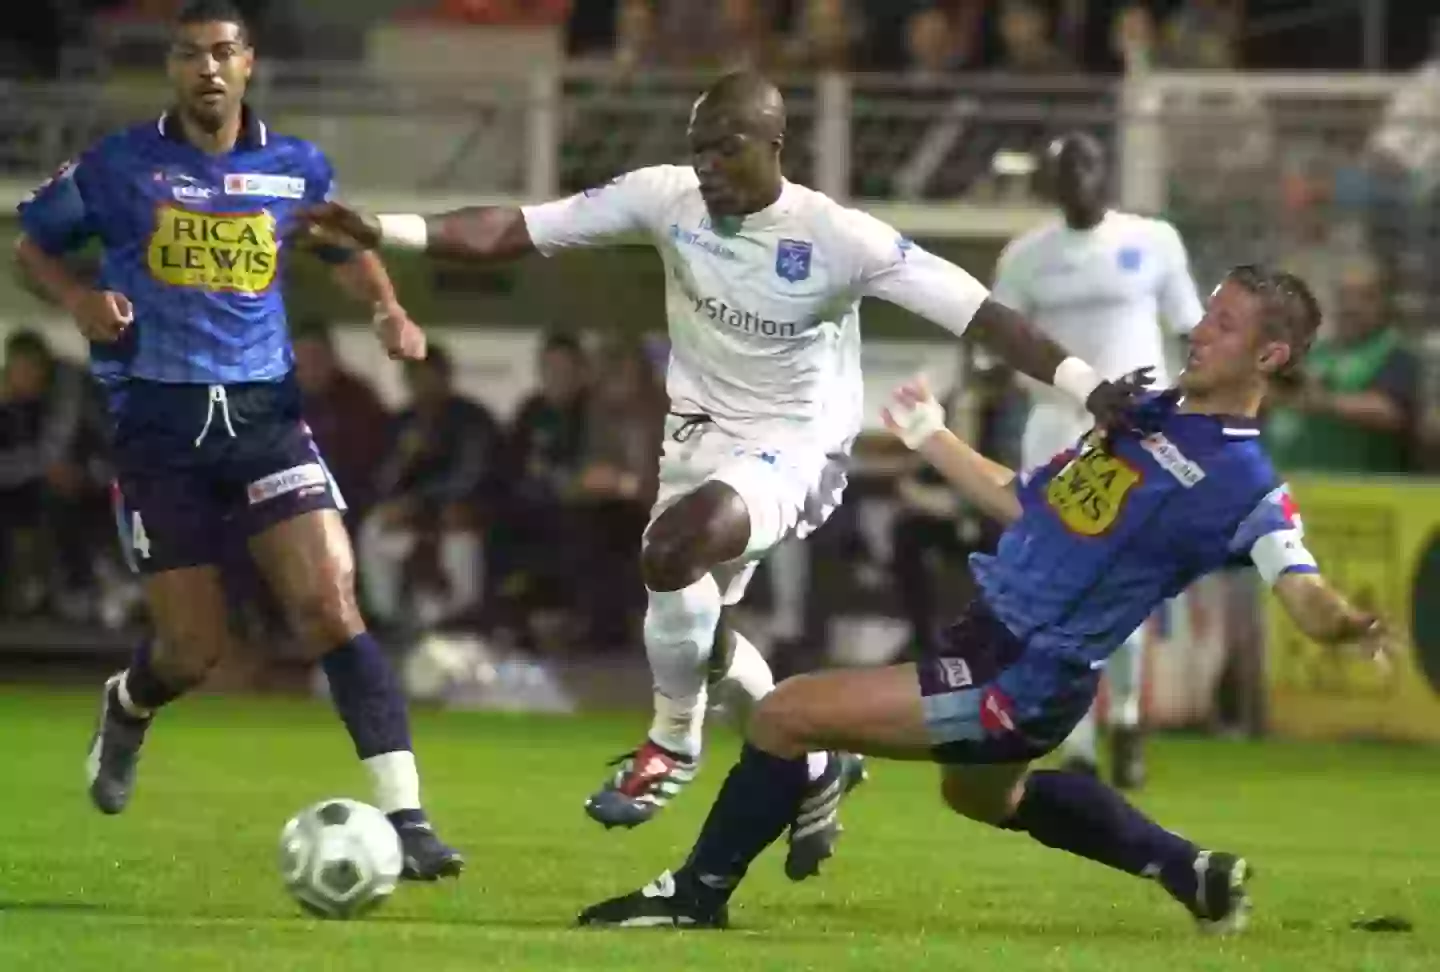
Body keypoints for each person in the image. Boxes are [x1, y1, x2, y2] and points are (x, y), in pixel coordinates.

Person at [296, 70, 1150, 879]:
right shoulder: (667, 198)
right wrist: (390, 230)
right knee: (698, 632)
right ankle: (816, 763)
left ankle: (670, 743)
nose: (708, 167)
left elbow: (983, 315)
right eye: (699, 148)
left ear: (776, 143)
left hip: (800, 447)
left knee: (670, 554)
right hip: (699, 445)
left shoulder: (837, 238)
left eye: (727, 148)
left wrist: (1088, 385)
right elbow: (513, 229)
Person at [575, 265, 1391, 932]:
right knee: (980, 796)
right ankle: (1190, 870)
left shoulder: (1246, 481)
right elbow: (1028, 503)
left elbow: (1301, 584)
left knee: (787, 714)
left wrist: (1341, 622)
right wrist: (932, 436)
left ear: (1270, 357)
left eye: (1224, 324)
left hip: (1019, 674)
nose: (1198, 331)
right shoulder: (1149, 417)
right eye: (1206, 313)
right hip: (1006, 652)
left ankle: (695, 895)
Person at [11, 0, 462, 880]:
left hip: (263, 419)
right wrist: (75, 301)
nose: (207, 69)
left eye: (222, 53)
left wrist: (388, 305)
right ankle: (129, 705)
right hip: (157, 428)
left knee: (332, 604)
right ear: (172, 69)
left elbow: (341, 239)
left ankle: (407, 819)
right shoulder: (118, 164)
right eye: (189, 56)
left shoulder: (293, 168)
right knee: (193, 652)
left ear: (249, 63)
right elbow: (33, 246)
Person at [993, 131, 1205, 787]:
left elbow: (1191, 332)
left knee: (1126, 579)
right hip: (1057, 427)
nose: (1078, 177)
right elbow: (1001, 340)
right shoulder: (1027, 257)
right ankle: (1078, 739)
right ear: (1050, 185)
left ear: (1106, 173)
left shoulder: (1154, 240)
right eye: (1065, 169)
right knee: (1059, 582)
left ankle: (1128, 718)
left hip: (1137, 432)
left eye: (1087, 163)